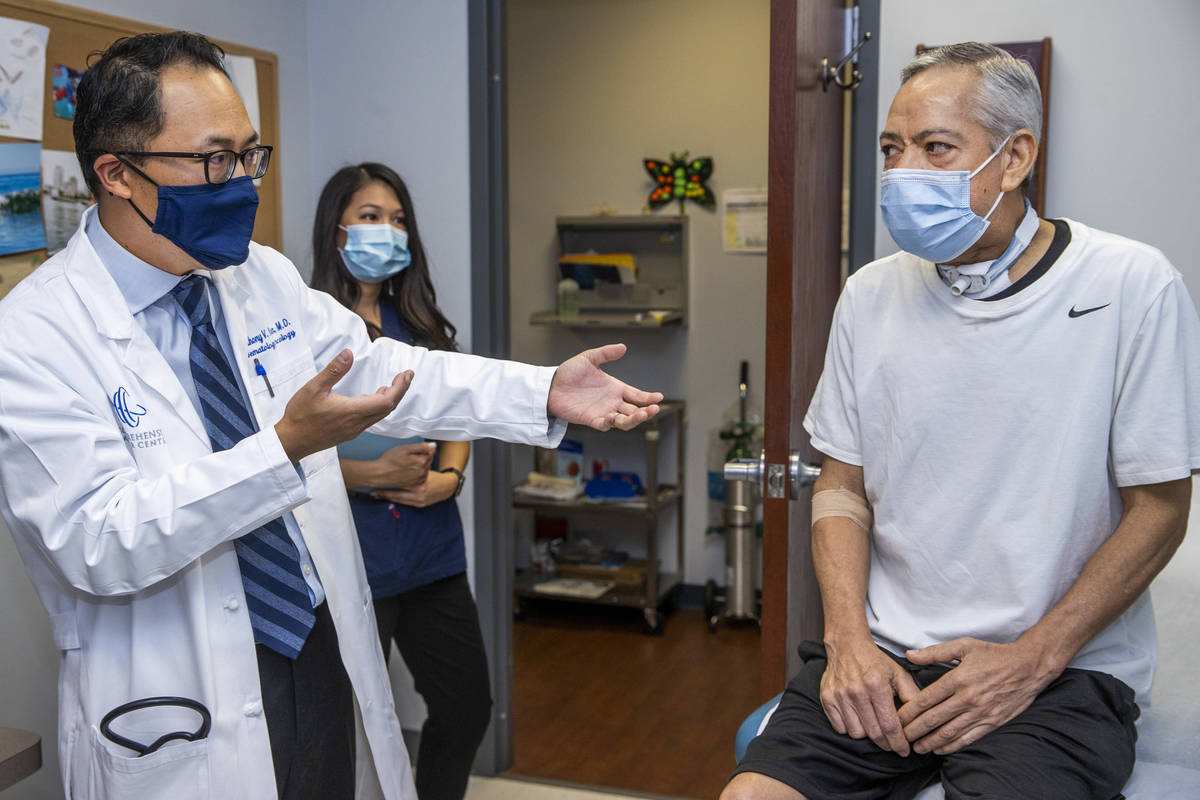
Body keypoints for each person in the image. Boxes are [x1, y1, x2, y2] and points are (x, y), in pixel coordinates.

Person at [0, 32, 661, 800]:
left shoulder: (260, 277)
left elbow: (386, 371)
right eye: (215, 160)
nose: (242, 183)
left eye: (252, 155)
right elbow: (98, 543)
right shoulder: (33, 336)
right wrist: (281, 451)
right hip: (181, 690)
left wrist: (541, 390)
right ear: (116, 172)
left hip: (314, 641)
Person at [724, 42, 1199, 800]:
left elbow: (1161, 509)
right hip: (887, 654)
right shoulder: (870, 295)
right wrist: (848, 640)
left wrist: (1033, 659)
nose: (903, 170)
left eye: (936, 147)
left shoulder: (1129, 285)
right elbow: (841, 486)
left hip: (1058, 674)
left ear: (1014, 159)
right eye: (891, 148)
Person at [310, 162, 489, 800]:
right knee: (348, 725)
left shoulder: (419, 321)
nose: (387, 231)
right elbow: (283, 452)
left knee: (467, 706)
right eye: (370, 217)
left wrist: (450, 475)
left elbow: (458, 411)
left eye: (397, 219)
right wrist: (367, 474)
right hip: (352, 559)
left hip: (432, 554)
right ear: (336, 231)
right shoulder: (304, 327)